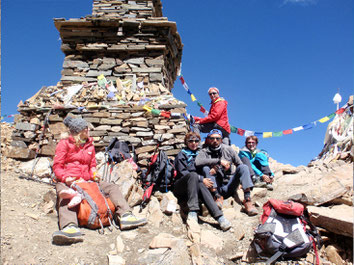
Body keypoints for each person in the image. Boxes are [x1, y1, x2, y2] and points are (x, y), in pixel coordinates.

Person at [52, 116, 147, 245]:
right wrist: (65, 178)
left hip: (87, 179)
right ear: (79, 131)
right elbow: (57, 166)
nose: (89, 130)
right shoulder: (64, 144)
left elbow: (91, 165)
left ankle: (125, 215)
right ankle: (69, 226)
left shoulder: (90, 146)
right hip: (69, 179)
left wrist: (94, 174)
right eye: (86, 128)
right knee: (64, 192)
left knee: (111, 187)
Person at [173, 131, 231, 231]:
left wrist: (215, 168)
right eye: (191, 141)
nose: (194, 143)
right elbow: (183, 173)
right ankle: (193, 211)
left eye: (196, 141)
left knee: (200, 184)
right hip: (181, 186)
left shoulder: (201, 154)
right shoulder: (181, 155)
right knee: (194, 176)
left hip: (196, 186)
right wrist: (201, 179)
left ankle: (219, 217)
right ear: (186, 142)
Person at [195, 129, 258, 216]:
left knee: (243, 167)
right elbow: (197, 162)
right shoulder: (204, 151)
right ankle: (217, 196)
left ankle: (247, 200)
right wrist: (218, 161)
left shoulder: (228, 149)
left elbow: (239, 164)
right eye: (212, 138)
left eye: (217, 139)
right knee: (206, 168)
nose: (215, 141)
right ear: (208, 139)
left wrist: (241, 181)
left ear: (221, 140)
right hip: (215, 185)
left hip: (230, 184)